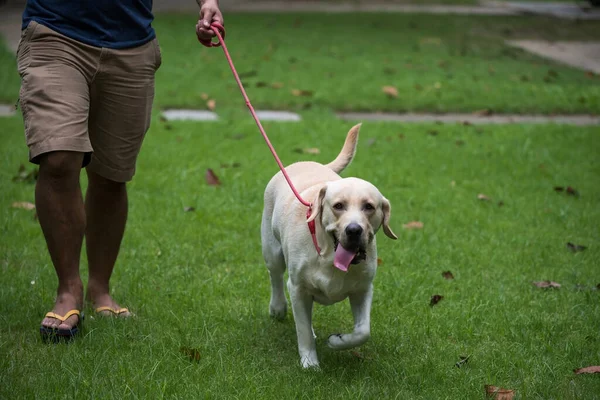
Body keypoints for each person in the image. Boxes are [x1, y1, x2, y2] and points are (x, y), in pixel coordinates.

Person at [16, 0, 224, 341]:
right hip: (56, 33)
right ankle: (69, 289)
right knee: (58, 158)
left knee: (111, 174)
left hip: (131, 44)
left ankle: (101, 289)